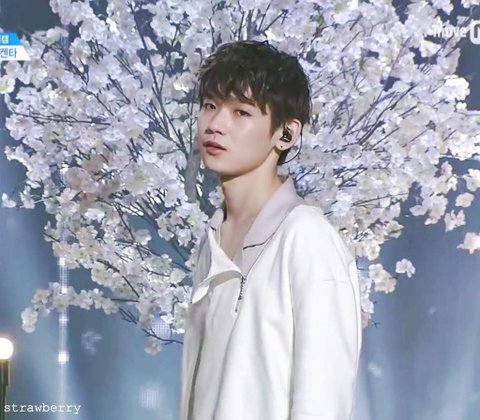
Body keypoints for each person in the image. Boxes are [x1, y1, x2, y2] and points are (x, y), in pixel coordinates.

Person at [179, 40, 362, 420]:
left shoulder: (306, 237)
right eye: (210, 106)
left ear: (286, 133)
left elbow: (323, 403)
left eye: (241, 112)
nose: (215, 125)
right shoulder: (212, 240)